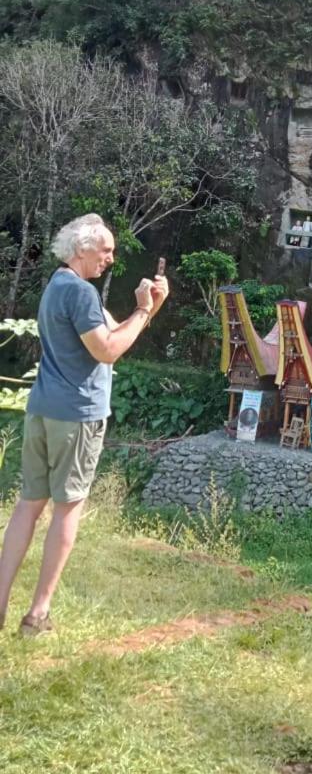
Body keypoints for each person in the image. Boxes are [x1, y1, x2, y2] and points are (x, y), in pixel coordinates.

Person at [0, 214, 169, 636]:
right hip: (75, 415)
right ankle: (37, 616)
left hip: (41, 410)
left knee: (27, 505)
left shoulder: (58, 286)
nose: (111, 258)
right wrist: (144, 311)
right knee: (68, 507)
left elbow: (118, 329)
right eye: (106, 250)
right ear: (82, 248)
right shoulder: (81, 293)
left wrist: (148, 308)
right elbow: (109, 349)